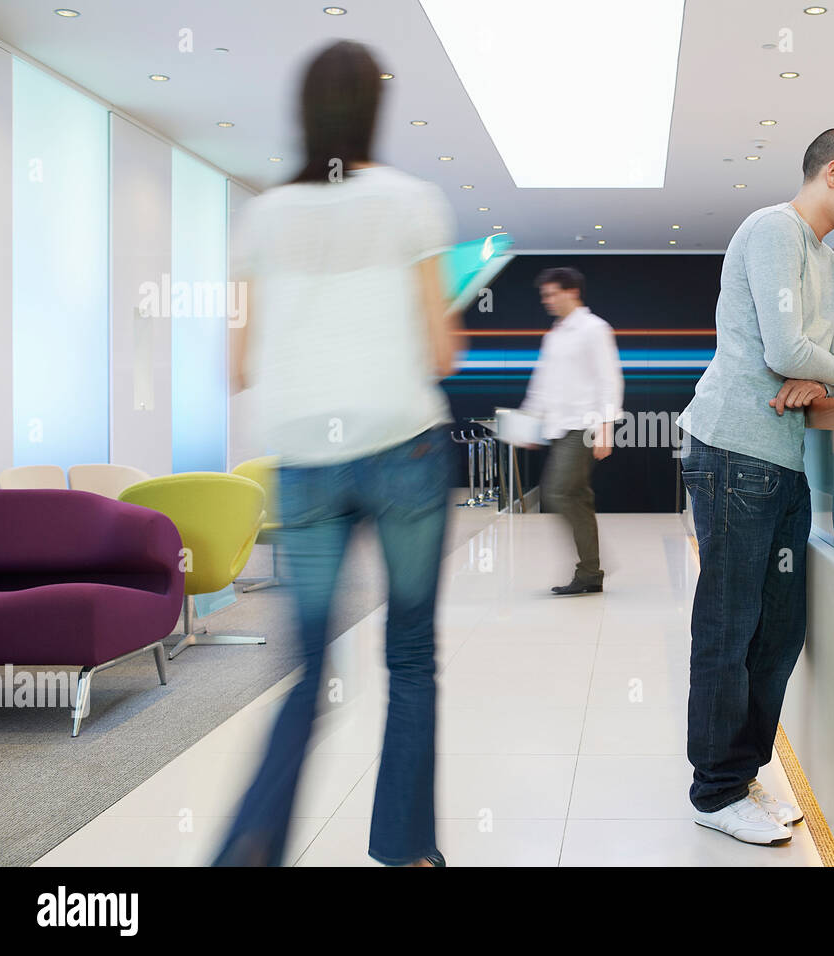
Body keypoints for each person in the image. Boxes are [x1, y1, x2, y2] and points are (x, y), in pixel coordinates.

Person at [215, 40, 461, 867]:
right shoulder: (411, 201)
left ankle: (247, 849)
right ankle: (407, 852)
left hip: (306, 465)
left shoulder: (263, 214)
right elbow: (440, 350)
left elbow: (239, 364)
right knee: (412, 656)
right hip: (404, 452)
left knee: (308, 665)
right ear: (373, 110)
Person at [675, 128, 834, 845]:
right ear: (833, 173)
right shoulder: (772, 231)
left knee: (780, 629)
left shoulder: (826, 260)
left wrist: (816, 368)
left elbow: (804, 362)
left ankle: (741, 772)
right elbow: (787, 351)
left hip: (784, 460)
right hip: (734, 448)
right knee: (730, 627)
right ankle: (714, 789)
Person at [519, 267, 623, 595]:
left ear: (571, 292)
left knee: (559, 492)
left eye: (552, 294)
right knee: (576, 496)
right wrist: (530, 422)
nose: (547, 301)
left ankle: (590, 568)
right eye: (544, 295)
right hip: (559, 427)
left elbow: (609, 379)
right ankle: (590, 572)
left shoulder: (594, 329)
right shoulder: (554, 335)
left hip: (585, 425)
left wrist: (606, 427)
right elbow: (542, 384)